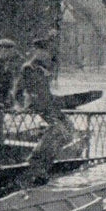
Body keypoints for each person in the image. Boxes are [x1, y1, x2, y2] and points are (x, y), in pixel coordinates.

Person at [11, 36, 75, 187]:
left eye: (46, 51)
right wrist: (19, 106)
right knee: (58, 130)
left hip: (49, 104)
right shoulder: (28, 68)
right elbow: (18, 89)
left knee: (69, 131)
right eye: (42, 51)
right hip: (38, 106)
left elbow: (46, 92)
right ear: (35, 51)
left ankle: (44, 163)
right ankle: (36, 161)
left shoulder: (43, 68)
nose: (46, 54)